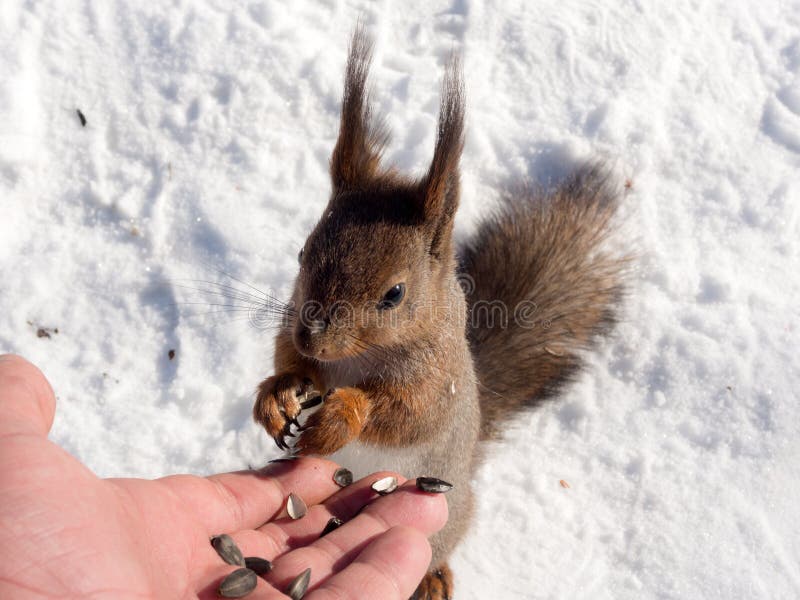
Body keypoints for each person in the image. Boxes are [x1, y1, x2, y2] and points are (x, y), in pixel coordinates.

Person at [0, 354, 448, 599]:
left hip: (405, 471)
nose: (316, 332)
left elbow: (419, 422)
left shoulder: (426, 364)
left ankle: (432, 562)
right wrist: (284, 394)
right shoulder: (306, 328)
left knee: (429, 510)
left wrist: (357, 410)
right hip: (316, 493)